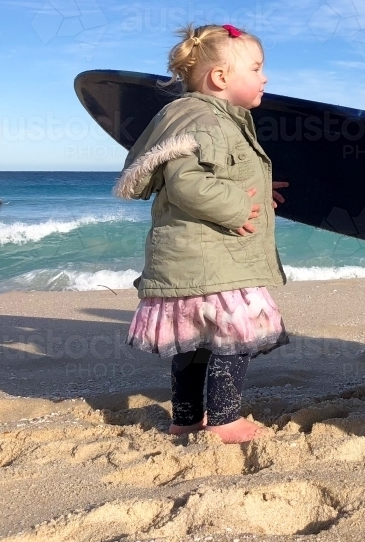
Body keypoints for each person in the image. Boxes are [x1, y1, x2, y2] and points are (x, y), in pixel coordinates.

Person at [114, 23, 289, 443]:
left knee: (191, 342)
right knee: (236, 336)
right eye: (257, 68)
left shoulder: (208, 117)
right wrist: (235, 207)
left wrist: (258, 194)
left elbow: (215, 174)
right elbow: (186, 182)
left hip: (194, 260)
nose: (265, 77)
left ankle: (187, 419)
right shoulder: (206, 119)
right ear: (221, 78)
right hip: (213, 260)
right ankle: (225, 419)